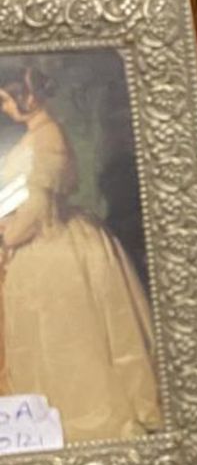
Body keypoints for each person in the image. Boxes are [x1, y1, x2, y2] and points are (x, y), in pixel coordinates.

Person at [0, 64, 161, 443]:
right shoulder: (37, 136)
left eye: (7, 101)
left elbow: (38, 208)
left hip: (52, 250)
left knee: (68, 342)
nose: (6, 109)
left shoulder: (47, 139)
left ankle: (88, 422)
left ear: (27, 96)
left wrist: (7, 237)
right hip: (43, 247)